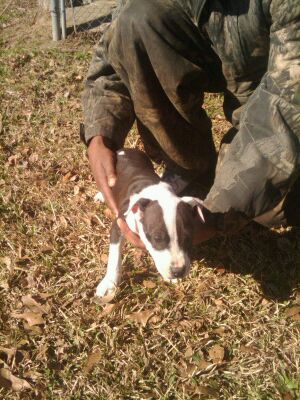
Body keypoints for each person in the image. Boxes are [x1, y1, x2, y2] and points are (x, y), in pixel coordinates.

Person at [82, 0, 300, 248]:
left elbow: (290, 103)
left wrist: (216, 215)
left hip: (280, 75)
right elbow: (114, 48)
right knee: (137, 18)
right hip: (220, 50)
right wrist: (100, 134)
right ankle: (191, 169)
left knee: (269, 205)